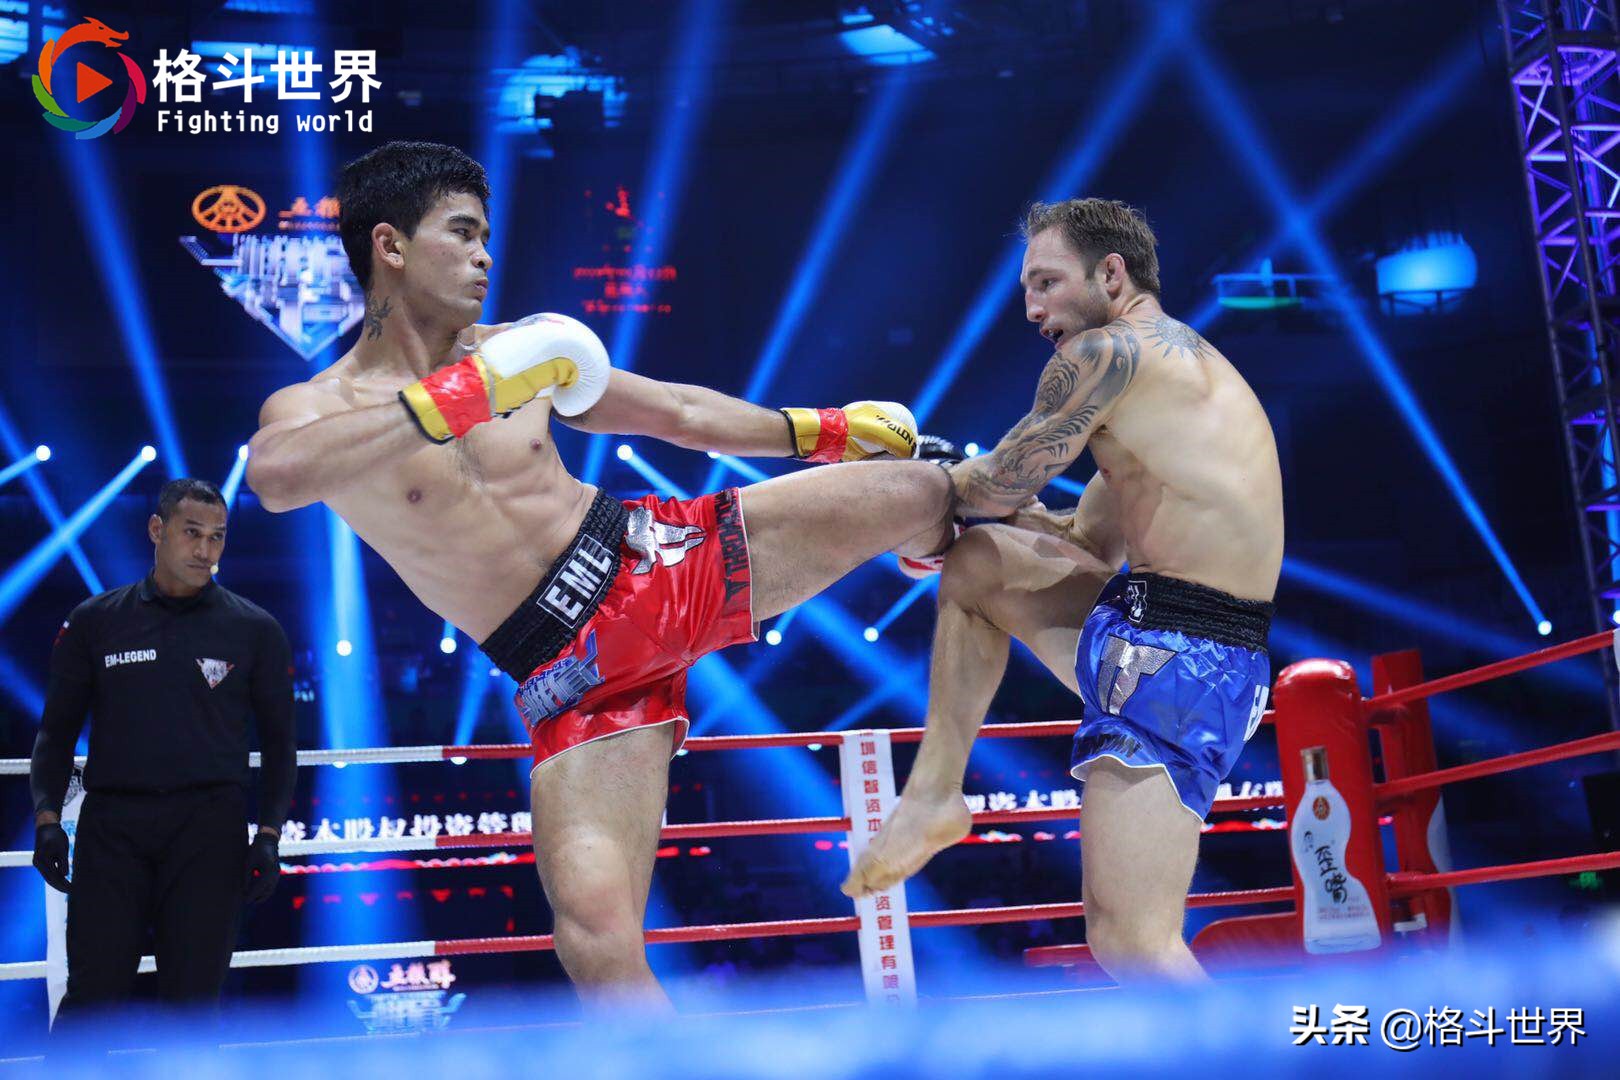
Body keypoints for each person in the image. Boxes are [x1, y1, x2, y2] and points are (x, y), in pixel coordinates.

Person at [244, 140, 956, 1007]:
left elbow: (680, 413)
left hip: (658, 559)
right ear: (389, 245)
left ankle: (966, 558)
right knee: (593, 936)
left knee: (925, 487)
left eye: (486, 236)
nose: (484, 255)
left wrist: (830, 431)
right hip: (570, 672)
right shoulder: (318, 407)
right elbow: (275, 477)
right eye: (462, 233)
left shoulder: (523, 349)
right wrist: (462, 396)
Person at [842, 198, 1284, 985]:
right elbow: (1085, 542)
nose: (1032, 309)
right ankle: (934, 796)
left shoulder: (1106, 353)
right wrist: (962, 522)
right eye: (1025, 292)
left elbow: (997, 483)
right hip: (1188, 641)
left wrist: (909, 492)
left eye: (1045, 282)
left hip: (1176, 655)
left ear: (1111, 274)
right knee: (979, 562)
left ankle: (1247, 1049)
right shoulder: (1180, 379)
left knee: (1133, 941)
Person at [30, 478, 296, 1034]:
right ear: (157, 529)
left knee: (194, 1008)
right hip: (113, 829)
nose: (205, 550)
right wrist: (48, 819)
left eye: (217, 536)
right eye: (192, 533)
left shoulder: (254, 629)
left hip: (209, 831)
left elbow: (280, 745)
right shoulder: (95, 620)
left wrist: (270, 835)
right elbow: (55, 732)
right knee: (91, 999)